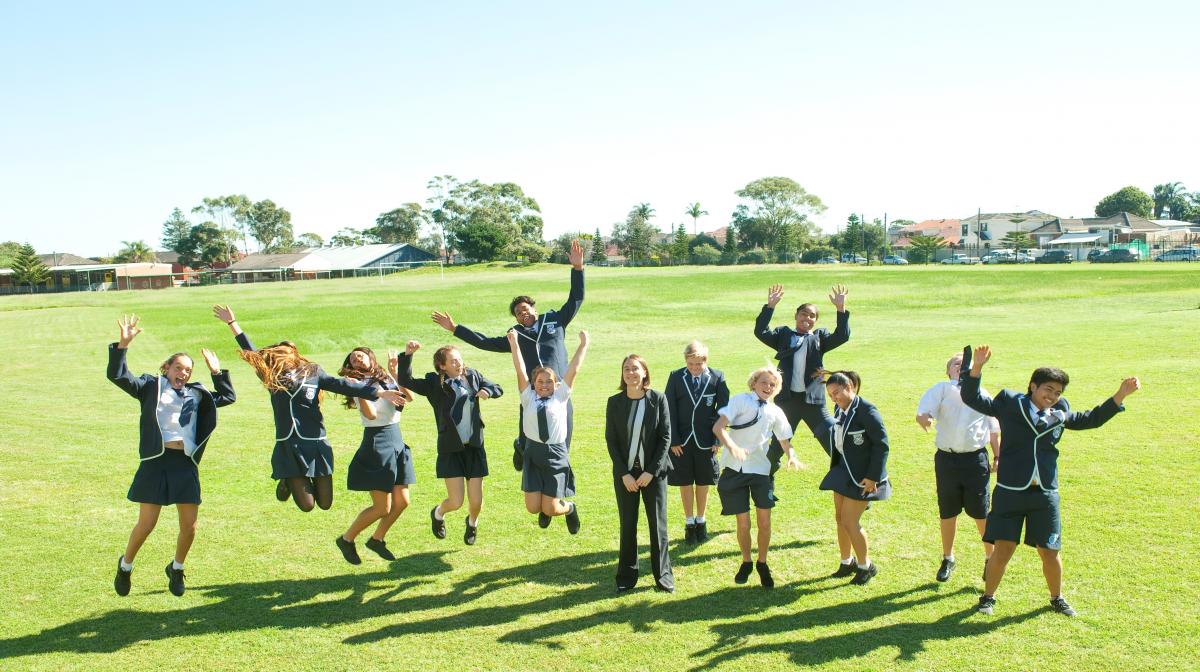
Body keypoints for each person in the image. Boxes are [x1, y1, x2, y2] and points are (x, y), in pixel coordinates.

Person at [960, 345, 1140, 617]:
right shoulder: (1010, 403)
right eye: (1048, 390)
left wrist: (1120, 395)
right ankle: (988, 597)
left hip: (1044, 494)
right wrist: (976, 369)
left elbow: (1090, 419)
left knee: (1049, 550)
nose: (1052, 397)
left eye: (1057, 393)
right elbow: (973, 399)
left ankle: (1056, 598)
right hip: (1010, 491)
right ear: (1033, 386)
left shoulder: (1060, 412)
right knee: (1003, 548)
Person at [212, 305, 407, 512]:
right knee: (307, 505)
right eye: (276, 357)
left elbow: (341, 384)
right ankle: (288, 478)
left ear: (294, 356)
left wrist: (379, 393)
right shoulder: (271, 376)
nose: (279, 360)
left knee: (325, 503)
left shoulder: (313, 372)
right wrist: (233, 324)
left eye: (284, 356)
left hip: (316, 442)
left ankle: (292, 480)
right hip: (289, 443)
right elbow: (251, 352)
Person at [107, 314, 236, 597]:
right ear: (166, 368)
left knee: (189, 527)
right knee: (147, 524)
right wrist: (122, 346)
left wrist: (216, 372)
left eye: (188, 370)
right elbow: (118, 376)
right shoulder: (149, 387)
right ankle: (126, 566)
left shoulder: (196, 393)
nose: (184, 373)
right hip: (156, 462)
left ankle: (176, 568)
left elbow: (226, 398)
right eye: (179, 368)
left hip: (184, 464)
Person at [432, 240, 585, 471]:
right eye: (517, 312)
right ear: (516, 319)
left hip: (559, 391)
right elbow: (484, 342)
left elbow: (575, 299)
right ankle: (521, 447)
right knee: (528, 438)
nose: (522, 313)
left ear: (534, 308)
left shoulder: (554, 320)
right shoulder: (516, 336)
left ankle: (557, 486)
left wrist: (577, 269)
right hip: (532, 393)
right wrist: (456, 329)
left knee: (563, 438)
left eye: (525, 308)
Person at [397, 341, 502, 545]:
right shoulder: (433, 383)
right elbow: (406, 380)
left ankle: (472, 523)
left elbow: (496, 387)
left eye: (460, 359)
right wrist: (408, 355)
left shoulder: (473, 376)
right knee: (455, 502)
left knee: (476, 503)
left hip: (474, 447)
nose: (459, 363)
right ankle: (437, 514)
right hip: (450, 448)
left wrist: (488, 392)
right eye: (454, 361)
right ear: (442, 365)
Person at [713, 367, 801, 588]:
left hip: (761, 471)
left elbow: (785, 441)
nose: (768, 387)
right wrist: (733, 448)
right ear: (753, 383)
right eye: (764, 382)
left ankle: (762, 563)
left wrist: (792, 456)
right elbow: (718, 427)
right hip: (734, 469)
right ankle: (746, 561)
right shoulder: (740, 400)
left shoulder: (776, 412)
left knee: (764, 522)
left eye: (773, 384)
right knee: (743, 524)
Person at [916, 352, 1001, 583]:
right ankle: (948, 557)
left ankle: (990, 557)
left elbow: (993, 429)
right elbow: (924, 410)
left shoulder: (982, 394)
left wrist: (997, 457)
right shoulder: (942, 389)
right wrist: (924, 419)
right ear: (949, 371)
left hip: (975, 461)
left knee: (981, 512)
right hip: (947, 460)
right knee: (948, 511)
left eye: (967, 364)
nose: (961, 366)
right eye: (956, 363)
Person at [753, 284, 850, 472]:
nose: (807, 318)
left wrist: (841, 309)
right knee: (775, 447)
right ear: (796, 316)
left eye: (812, 315)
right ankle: (764, 488)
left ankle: (850, 481)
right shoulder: (783, 335)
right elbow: (761, 331)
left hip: (814, 402)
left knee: (832, 442)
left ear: (816, 320)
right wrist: (770, 306)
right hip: (787, 402)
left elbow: (842, 335)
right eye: (804, 314)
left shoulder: (819, 338)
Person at [335, 347, 415, 565]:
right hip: (377, 442)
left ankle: (377, 539)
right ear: (351, 367)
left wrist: (395, 372)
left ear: (370, 357)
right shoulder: (357, 386)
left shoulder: (384, 377)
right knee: (382, 507)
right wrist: (359, 391)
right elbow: (370, 414)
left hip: (396, 439)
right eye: (352, 359)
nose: (356, 358)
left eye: (359, 354)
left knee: (402, 502)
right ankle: (346, 539)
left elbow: (408, 397)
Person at [508, 327, 589, 534]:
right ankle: (546, 505)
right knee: (532, 508)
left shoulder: (561, 397)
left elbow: (574, 369)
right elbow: (519, 368)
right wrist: (514, 342)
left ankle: (569, 508)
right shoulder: (527, 397)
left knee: (551, 508)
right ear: (533, 383)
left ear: (556, 384)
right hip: (533, 453)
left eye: (549, 382)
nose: (544, 385)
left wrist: (583, 344)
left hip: (555, 454)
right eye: (540, 381)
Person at [814, 370, 890, 586]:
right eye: (830, 395)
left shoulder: (867, 411)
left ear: (850, 388)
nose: (834, 398)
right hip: (843, 471)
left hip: (863, 477)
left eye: (837, 393)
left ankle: (866, 566)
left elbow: (882, 445)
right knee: (839, 518)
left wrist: (873, 477)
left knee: (850, 520)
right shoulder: (841, 408)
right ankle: (846, 562)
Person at [606, 355, 674, 593]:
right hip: (626, 476)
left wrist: (650, 472)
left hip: (653, 474)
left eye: (635, 368)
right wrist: (624, 473)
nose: (630, 373)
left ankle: (663, 577)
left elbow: (666, 437)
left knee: (658, 527)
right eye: (626, 369)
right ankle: (626, 577)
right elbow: (611, 441)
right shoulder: (614, 402)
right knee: (628, 525)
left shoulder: (658, 399)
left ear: (645, 372)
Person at [664, 340, 729, 543]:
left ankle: (701, 520)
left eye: (699, 364)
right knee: (685, 481)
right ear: (686, 361)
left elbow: (724, 410)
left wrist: (718, 439)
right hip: (681, 442)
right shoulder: (675, 377)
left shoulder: (717, 377)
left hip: (706, 440)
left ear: (705, 361)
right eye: (691, 364)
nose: (694, 368)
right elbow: (668, 410)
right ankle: (689, 522)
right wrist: (673, 439)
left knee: (703, 481)